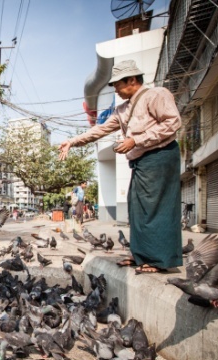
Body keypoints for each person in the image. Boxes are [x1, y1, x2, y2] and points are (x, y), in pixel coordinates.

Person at [58, 60, 182, 274]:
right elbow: (100, 130)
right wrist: (73, 141)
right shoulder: (122, 109)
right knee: (137, 207)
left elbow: (173, 122)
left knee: (154, 208)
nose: (115, 88)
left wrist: (136, 140)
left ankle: (158, 259)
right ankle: (140, 254)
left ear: (132, 80)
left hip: (160, 156)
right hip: (141, 162)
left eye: (117, 84)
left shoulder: (156, 95)